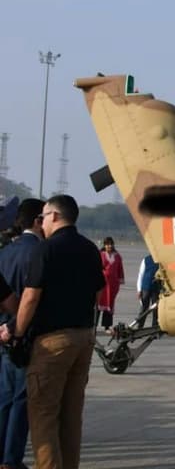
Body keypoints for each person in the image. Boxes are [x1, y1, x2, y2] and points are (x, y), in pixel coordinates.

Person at [3, 195, 103, 469]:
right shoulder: (89, 249)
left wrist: (17, 333)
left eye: (44, 216)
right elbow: (97, 292)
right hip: (83, 339)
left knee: (43, 415)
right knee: (71, 417)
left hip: (52, 342)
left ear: (55, 216)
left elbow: (30, 297)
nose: (42, 222)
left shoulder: (45, 249)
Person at [0, 199, 43, 469]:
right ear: (38, 221)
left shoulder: (5, 251)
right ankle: (11, 459)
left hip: (3, 332)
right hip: (26, 333)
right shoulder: (41, 252)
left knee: (4, 397)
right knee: (21, 399)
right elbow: (34, 299)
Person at [96, 237, 125, 332]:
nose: (110, 246)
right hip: (102, 284)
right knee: (98, 304)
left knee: (109, 305)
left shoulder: (117, 256)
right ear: (104, 245)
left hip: (113, 285)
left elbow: (120, 269)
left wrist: (120, 280)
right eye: (107, 244)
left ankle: (107, 326)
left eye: (111, 244)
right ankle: (94, 326)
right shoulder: (100, 255)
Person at [136, 254, 162, 329]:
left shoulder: (161, 260)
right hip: (146, 288)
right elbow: (140, 275)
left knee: (156, 309)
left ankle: (154, 327)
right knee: (144, 308)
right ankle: (139, 327)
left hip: (156, 289)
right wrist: (139, 289)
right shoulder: (146, 260)